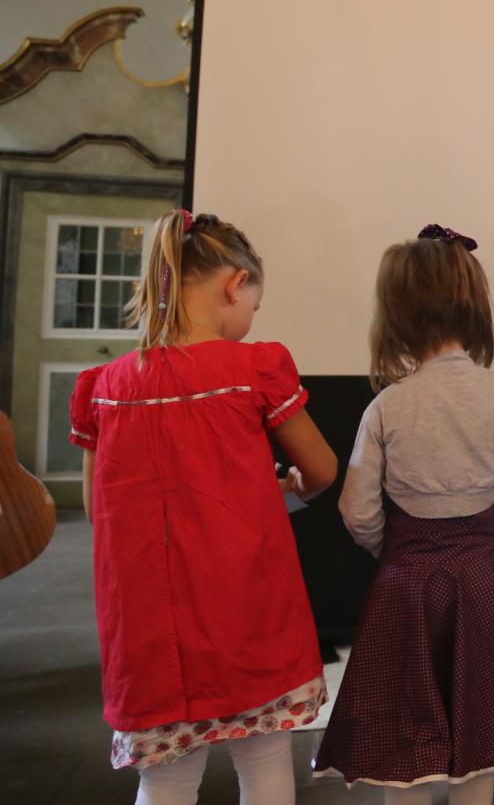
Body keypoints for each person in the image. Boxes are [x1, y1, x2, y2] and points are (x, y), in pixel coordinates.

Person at [69, 208, 338, 805]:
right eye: (254, 305)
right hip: (246, 614)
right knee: (264, 760)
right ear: (234, 283)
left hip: (150, 631)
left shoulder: (104, 387)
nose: (250, 321)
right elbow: (320, 469)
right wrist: (290, 487)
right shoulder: (252, 369)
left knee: (164, 778)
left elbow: (97, 507)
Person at [313, 225, 494, 803]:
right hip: (482, 580)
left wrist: (393, 550)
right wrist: (482, 535)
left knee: (402, 734)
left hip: (404, 586)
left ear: (395, 314)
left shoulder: (387, 405)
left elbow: (357, 509)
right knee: (482, 729)